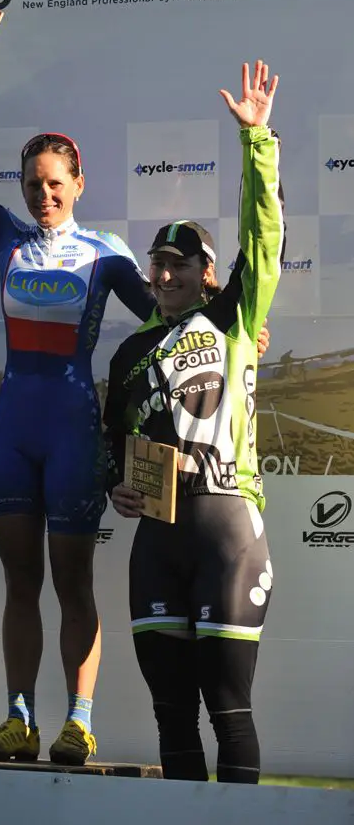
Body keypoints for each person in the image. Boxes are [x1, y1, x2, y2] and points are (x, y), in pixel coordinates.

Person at [0, 32, 169, 766]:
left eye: (54, 183)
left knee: (72, 582)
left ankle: (77, 721)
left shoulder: (106, 252)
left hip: (73, 430)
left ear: (77, 183)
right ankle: (19, 718)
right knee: (20, 583)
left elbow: (166, 317)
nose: (42, 194)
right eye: (31, 184)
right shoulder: (5, 237)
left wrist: (238, 323)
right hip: (15, 428)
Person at [103, 60, 283, 785]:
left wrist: (255, 141)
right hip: (155, 537)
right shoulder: (130, 349)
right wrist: (114, 484)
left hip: (225, 527)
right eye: (156, 264)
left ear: (207, 272)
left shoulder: (235, 316)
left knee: (226, 704)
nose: (166, 274)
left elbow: (263, 236)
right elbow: (107, 441)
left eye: (181, 264)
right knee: (170, 713)